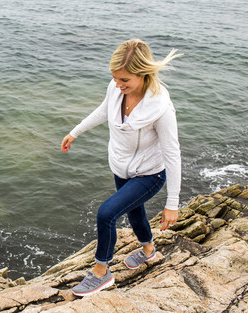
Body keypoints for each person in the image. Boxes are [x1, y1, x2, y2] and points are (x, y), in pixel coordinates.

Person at [61, 39, 182, 297]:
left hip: (149, 173)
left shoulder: (161, 108)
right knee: (135, 214)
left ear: (143, 74)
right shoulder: (116, 88)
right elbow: (104, 110)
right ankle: (149, 252)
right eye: (115, 79)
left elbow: (172, 154)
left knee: (106, 214)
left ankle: (101, 273)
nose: (118, 85)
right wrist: (75, 132)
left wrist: (172, 203)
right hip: (121, 168)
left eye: (124, 80)